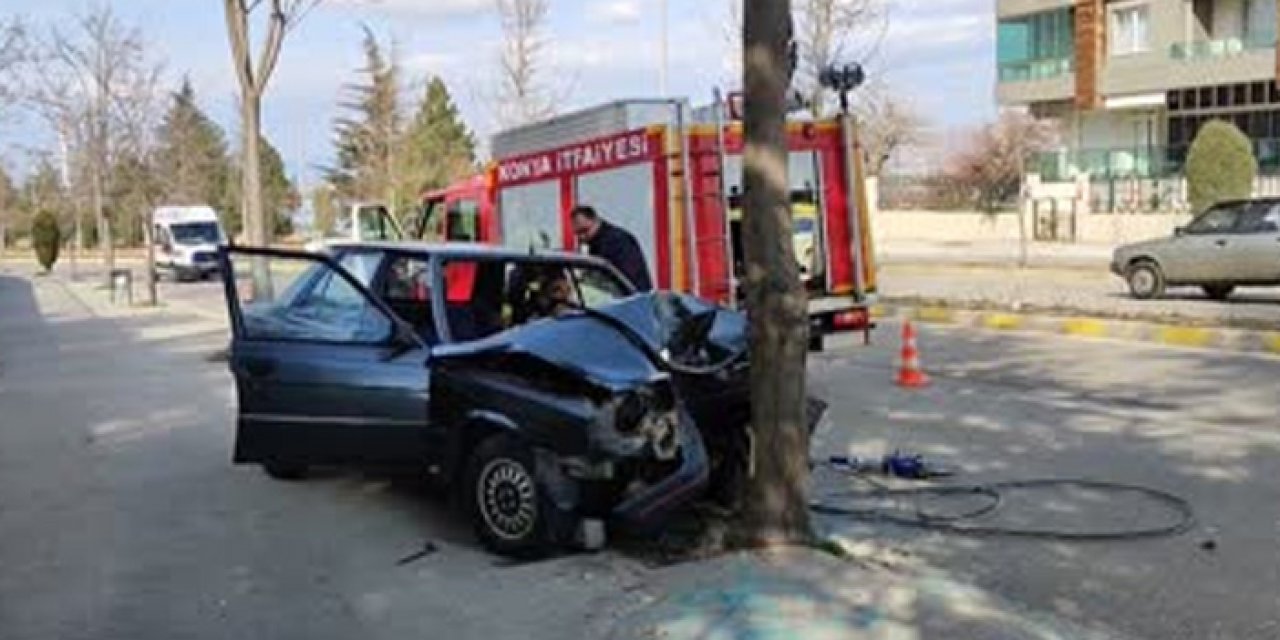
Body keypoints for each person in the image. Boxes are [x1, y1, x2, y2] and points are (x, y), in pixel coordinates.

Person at [571, 205, 653, 292]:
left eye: (585, 230)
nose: (582, 237)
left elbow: (630, 276)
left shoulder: (617, 240)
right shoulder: (596, 244)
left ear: (596, 220)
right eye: (578, 233)